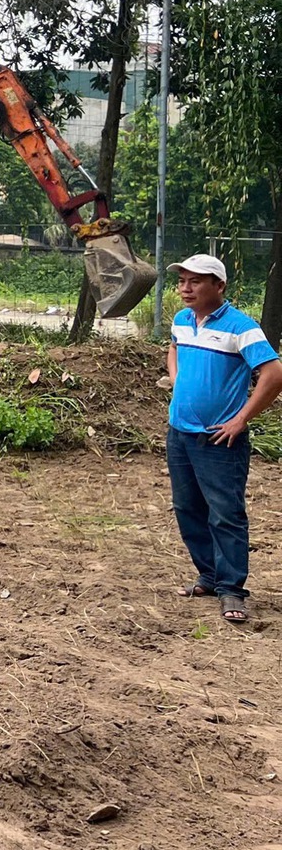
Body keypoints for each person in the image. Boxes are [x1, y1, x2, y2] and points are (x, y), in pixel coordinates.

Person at [165, 254, 282, 623]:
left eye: (195, 281)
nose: (186, 288)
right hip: (180, 433)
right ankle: (210, 576)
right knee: (187, 508)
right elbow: (174, 348)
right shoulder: (182, 320)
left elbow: (274, 374)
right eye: (182, 281)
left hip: (219, 440)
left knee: (225, 514)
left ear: (219, 285)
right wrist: (178, 381)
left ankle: (232, 589)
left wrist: (240, 419)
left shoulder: (241, 327)